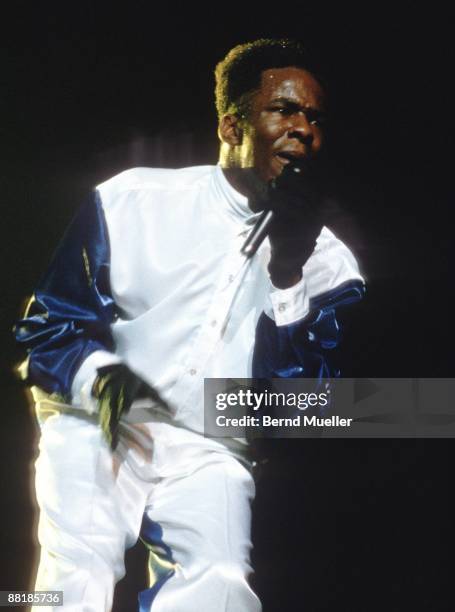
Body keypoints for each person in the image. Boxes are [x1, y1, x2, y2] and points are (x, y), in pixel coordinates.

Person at [15, 39, 365, 612]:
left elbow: (301, 410)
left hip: (211, 444)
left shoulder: (330, 264)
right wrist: (105, 380)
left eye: (315, 117)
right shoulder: (133, 200)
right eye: (284, 109)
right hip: (95, 418)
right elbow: (48, 331)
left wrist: (287, 275)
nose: (303, 128)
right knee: (74, 577)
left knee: (222, 585)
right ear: (232, 127)